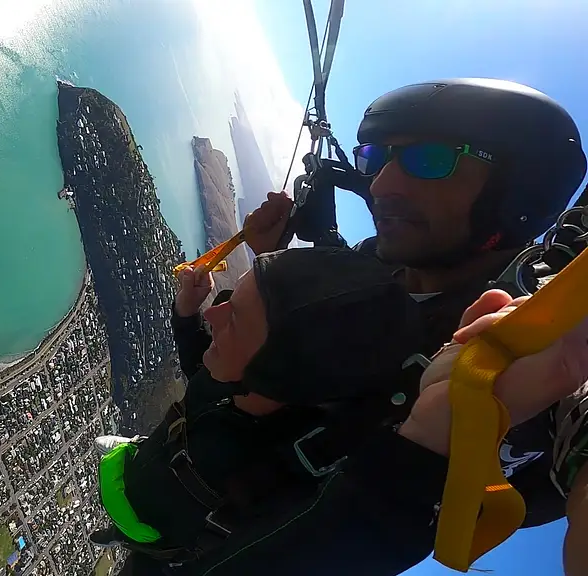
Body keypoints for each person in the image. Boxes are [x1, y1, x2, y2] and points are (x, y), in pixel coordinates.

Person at [93, 78, 588, 574]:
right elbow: (236, 383)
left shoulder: (536, 347)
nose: (381, 185)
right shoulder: (371, 268)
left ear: (514, 194)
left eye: (431, 159)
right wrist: (224, 293)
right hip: (177, 533)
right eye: (377, 157)